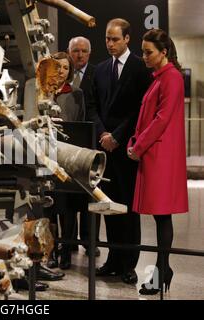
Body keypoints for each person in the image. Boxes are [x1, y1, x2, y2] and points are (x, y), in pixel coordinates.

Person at [88, 18, 152, 284]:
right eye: (106, 38)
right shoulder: (101, 69)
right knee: (108, 205)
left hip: (126, 148)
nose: (110, 43)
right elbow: (92, 105)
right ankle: (113, 260)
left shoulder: (140, 67)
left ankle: (129, 264)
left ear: (127, 38)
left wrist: (116, 136)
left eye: (115, 39)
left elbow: (140, 109)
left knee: (127, 208)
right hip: (104, 149)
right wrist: (103, 134)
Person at [127, 29, 188, 295]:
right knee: (159, 216)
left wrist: (138, 146)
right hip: (153, 154)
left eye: (149, 52)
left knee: (162, 216)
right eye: (143, 51)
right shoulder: (161, 77)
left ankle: (163, 271)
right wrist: (135, 141)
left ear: (164, 52)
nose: (144, 57)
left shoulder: (171, 77)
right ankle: (163, 269)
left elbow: (161, 120)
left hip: (160, 156)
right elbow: (149, 117)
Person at [44, 51, 86, 270]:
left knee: (68, 207)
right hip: (44, 155)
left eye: (65, 68)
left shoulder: (76, 94)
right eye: (57, 66)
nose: (61, 71)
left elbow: (80, 123)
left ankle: (66, 253)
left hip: (67, 155)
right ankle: (51, 251)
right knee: (49, 206)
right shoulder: (42, 91)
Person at [68, 36, 101, 257]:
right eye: (75, 51)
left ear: (89, 53)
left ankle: (91, 242)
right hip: (68, 142)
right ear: (69, 53)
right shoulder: (62, 74)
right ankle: (67, 242)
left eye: (83, 51)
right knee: (67, 197)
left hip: (90, 142)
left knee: (91, 194)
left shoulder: (97, 74)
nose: (79, 55)